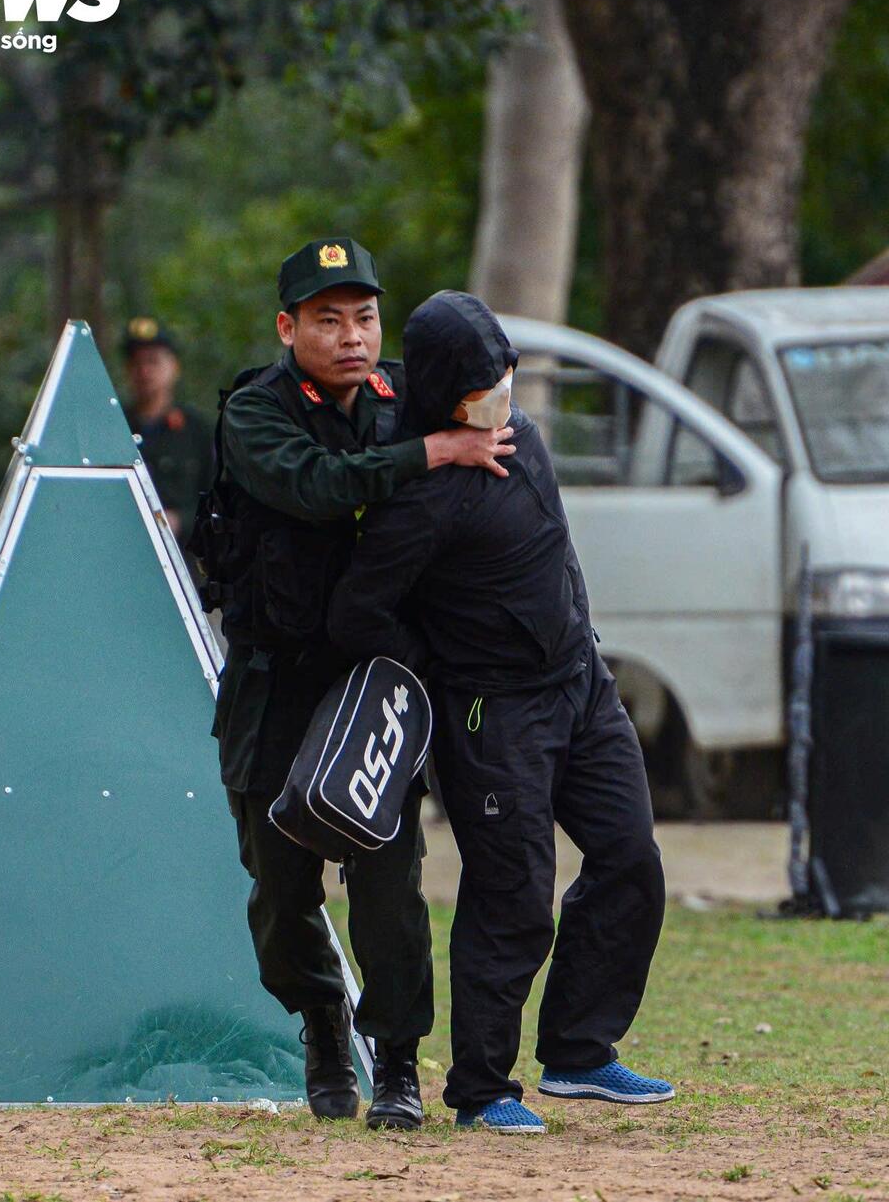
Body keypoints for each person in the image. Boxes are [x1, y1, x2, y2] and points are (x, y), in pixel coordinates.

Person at [327, 291, 671, 1136]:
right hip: (493, 714)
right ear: (448, 390)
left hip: (581, 686)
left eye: (508, 370)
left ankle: (580, 1051)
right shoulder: (422, 491)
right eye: (486, 380)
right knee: (514, 896)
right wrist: (442, 669)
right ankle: (482, 1088)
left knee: (631, 858)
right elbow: (357, 613)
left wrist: (582, 646)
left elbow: (554, 546)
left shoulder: (524, 436)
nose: (504, 388)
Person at [207, 238, 514, 1129]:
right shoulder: (256, 412)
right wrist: (433, 452)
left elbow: (488, 415)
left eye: (366, 317)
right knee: (279, 883)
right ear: (287, 326)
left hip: (372, 681)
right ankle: (321, 1018)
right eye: (329, 319)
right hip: (274, 683)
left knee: (388, 876)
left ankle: (397, 1059)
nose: (353, 337)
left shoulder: (402, 401)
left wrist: (474, 433)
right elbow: (315, 487)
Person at [120, 317, 214, 544]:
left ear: (174, 367)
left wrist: (179, 521)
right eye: (136, 363)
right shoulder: (115, 428)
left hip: (181, 561)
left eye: (153, 361)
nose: (144, 371)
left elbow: (219, 504)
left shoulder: (196, 431)